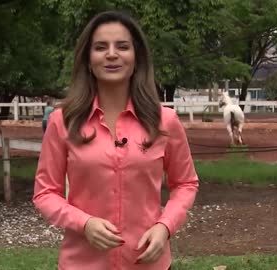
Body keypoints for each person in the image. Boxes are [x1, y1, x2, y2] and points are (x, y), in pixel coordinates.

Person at [33, 11, 198, 270]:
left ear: (136, 58)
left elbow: (186, 183)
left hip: (148, 263)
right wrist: (83, 223)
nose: (112, 54)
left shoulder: (165, 121)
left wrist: (165, 227)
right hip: (82, 263)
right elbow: (45, 193)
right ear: (88, 59)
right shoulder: (61, 121)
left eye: (122, 46)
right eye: (100, 47)